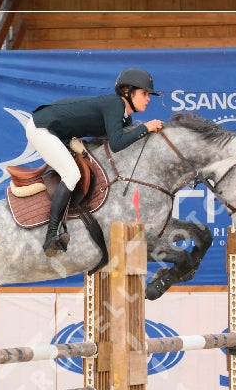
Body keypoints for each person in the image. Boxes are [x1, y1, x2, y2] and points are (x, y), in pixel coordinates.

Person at [26, 67, 164, 256]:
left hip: (61, 135)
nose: (148, 98)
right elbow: (116, 144)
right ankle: (51, 235)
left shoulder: (125, 120)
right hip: (41, 127)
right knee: (71, 173)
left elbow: (119, 143)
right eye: (144, 93)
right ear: (127, 92)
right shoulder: (115, 104)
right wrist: (146, 128)